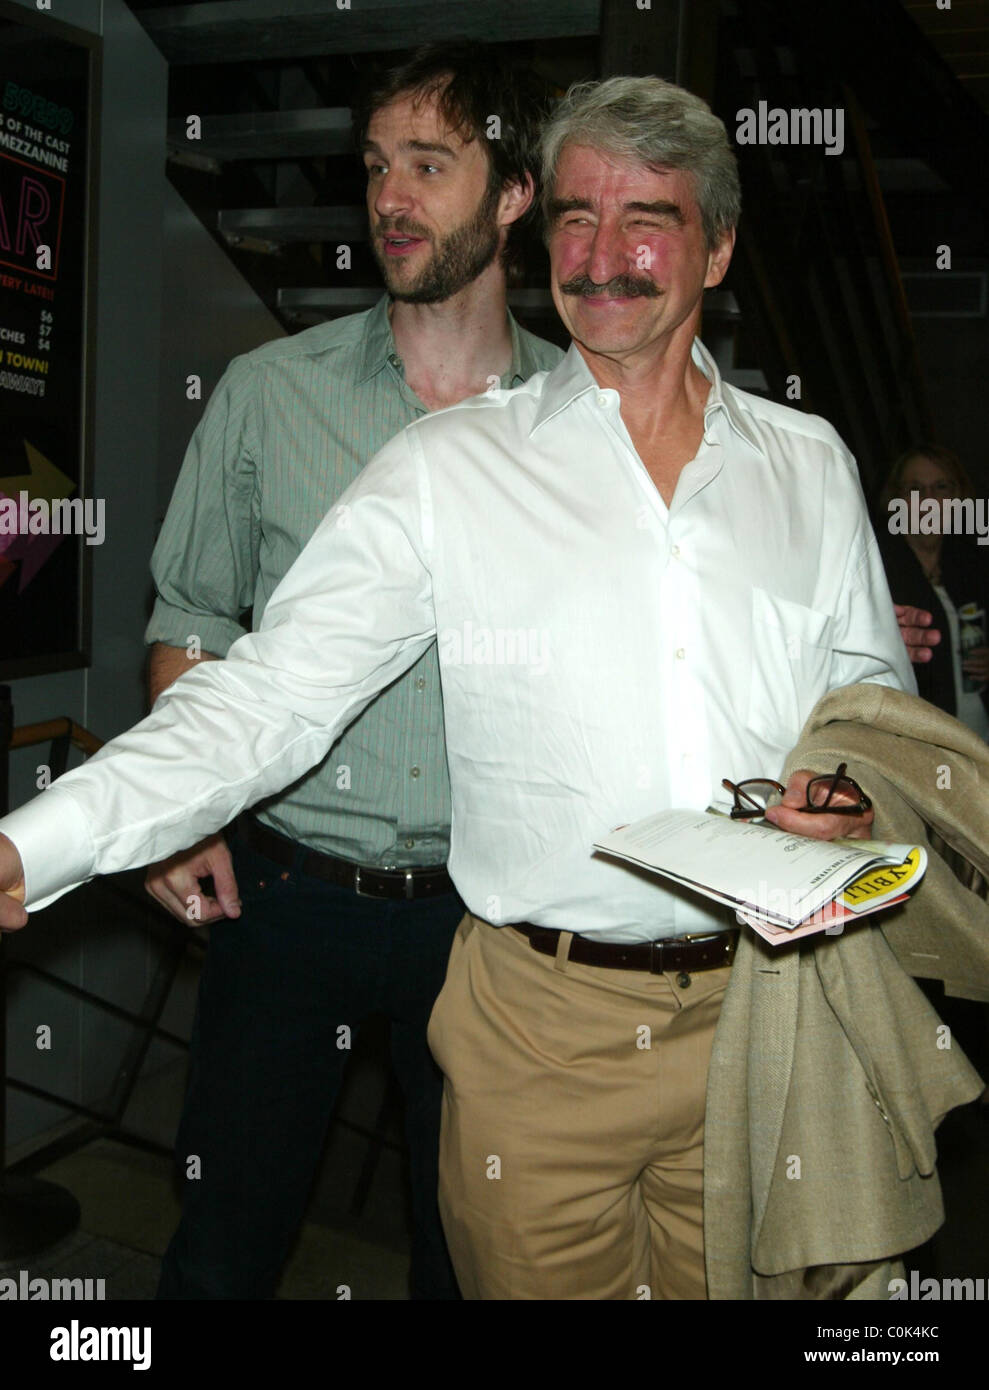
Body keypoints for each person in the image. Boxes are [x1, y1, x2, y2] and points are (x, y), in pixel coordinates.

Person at [0, 77, 916, 1299]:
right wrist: (38, 843)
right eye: (576, 218)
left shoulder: (808, 466)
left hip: (764, 1018)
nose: (602, 254)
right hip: (538, 1038)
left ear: (717, 248)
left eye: (645, 220)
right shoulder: (451, 465)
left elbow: (869, 712)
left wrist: (845, 798)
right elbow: (269, 694)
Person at [140, 42, 562, 1300]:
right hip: (285, 893)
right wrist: (182, 809)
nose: (389, 197)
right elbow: (191, 616)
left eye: (430, 165)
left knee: (468, 1259)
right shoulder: (270, 396)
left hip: (489, 915)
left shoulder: (581, 420)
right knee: (221, 1251)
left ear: (513, 192)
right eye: (376, 166)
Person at [877, 444, 989, 739]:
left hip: (979, 734)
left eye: (941, 487)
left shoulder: (972, 562)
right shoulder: (877, 568)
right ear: (896, 500)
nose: (929, 500)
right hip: (919, 741)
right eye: (915, 489)